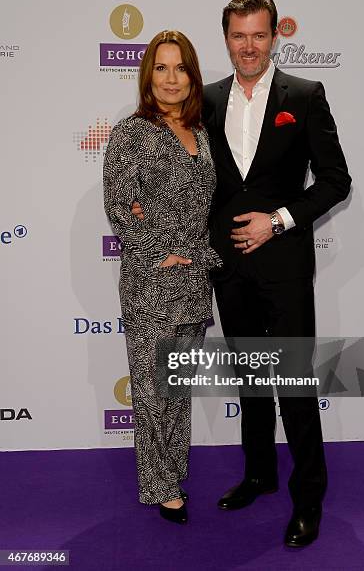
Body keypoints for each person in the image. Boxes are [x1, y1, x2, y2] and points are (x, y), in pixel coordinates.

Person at [202, 0, 352, 547]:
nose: (248, 45)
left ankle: (307, 497)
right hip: (229, 267)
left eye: (258, 35)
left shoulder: (306, 96)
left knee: (291, 381)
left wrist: (279, 220)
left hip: (285, 265)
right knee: (251, 379)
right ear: (227, 38)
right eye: (239, 35)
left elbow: (336, 181)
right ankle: (259, 474)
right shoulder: (207, 100)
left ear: (274, 37)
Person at [103, 30, 221, 525]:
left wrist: (194, 255)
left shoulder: (204, 134)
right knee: (152, 390)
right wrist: (162, 252)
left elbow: (206, 206)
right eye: (161, 68)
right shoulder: (131, 133)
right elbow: (119, 207)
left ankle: (172, 470)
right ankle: (161, 487)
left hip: (196, 280)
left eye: (181, 68)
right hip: (153, 280)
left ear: (192, 75)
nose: (172, 79)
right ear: (147, 75)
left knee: (177, 388)